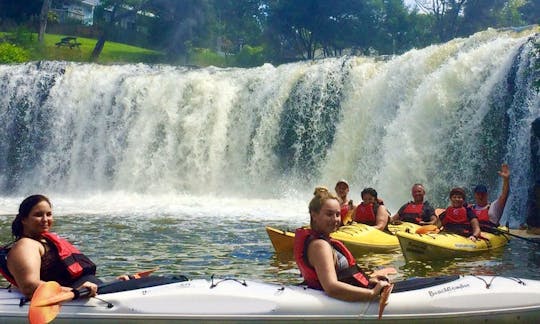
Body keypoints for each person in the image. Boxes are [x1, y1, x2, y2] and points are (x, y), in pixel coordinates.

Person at [293, 187, 390, 301]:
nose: (335, 219)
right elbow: (331, 287)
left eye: (338, 214)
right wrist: (371, 293)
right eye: (329, 214)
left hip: (358, 288)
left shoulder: (323, 241)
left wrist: (369, 280)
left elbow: (343, 276)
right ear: (314, 215)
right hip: (351, 299)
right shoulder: (320, 246)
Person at [1, 195, 102, 298]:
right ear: (24, 219)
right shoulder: (25, 246)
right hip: (76, 297)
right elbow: (29, 287)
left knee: (119, 283)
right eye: (38, 215)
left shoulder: (46, 240)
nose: (45, 219)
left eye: (49, 214)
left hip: (91, 291)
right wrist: (75, 291)